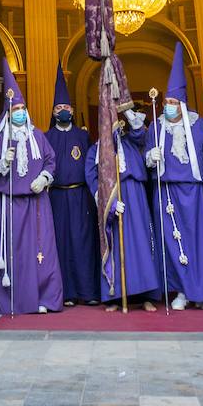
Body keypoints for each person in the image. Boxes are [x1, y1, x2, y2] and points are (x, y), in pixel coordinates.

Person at [0, 60, 63, 317]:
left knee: (42, 251)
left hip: (37, 202)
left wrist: (45, 177)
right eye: (15, 108)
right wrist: (2, 163)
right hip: (9, 203)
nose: (20, 112)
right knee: (14, 252)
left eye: (22, 108)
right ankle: (15, 301)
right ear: (8, 112)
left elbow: (51, 160)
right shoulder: (0, 137)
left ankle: (45, 297)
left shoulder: (38, 135)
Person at [146, 42, 203, 311]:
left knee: (199, 241)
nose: (168, 106)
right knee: (173, 242)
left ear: (183, 104)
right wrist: (151, 158)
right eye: (166, 102)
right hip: (168, 192)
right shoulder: (156, 126)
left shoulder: (200, 125)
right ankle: (180, 292)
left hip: (196, 192)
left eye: (173, 103)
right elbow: (148, 162)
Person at [86, 95, 161, 312]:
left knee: (141, 245)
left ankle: (147, 295)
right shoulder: (96, 150)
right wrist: (107, 203)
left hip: (135, 197)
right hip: (113, 201)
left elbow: (141, 133)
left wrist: (127, 110)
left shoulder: (130, 140)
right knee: (116, 248)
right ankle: (115, 297)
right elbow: (91, 177)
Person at [45, 64, 98, 306]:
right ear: (53, 111)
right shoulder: (45, 138)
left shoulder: (82, 136)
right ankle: (65, 293)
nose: (63, 110)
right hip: (56, 198)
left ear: (72, 110)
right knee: (61, 243)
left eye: (66, 107)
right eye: (59, 107)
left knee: (83, 242)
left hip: (81, 197)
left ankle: (88, 292)